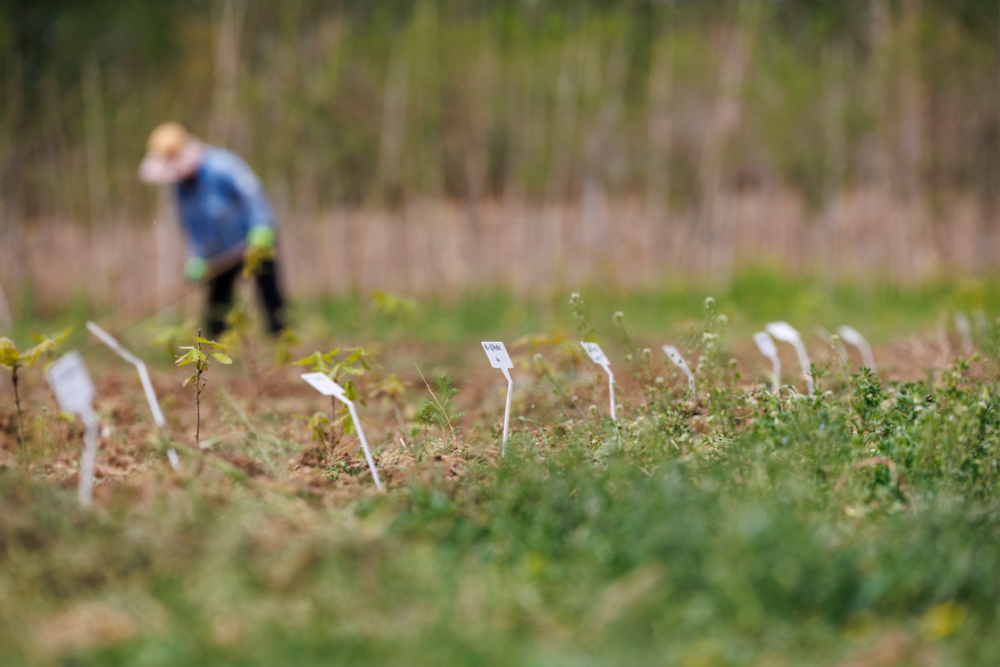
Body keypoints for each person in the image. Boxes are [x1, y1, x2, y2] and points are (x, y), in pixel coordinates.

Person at [138, 122, 286, 338]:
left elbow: (253, 196)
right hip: (221, 253)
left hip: (253, 241)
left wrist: (261, 227)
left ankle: (280, 338)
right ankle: (215, 350)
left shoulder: (222, 166)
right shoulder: (181, 189)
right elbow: (193, 227)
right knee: (218, 300)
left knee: (269, 293)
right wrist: (196, 258)